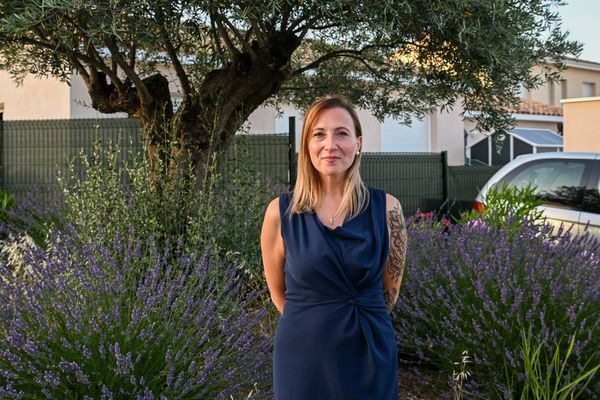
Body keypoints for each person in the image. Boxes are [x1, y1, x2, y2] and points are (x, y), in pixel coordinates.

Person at [260, 95, 408, 399]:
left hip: (369, 354)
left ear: (359, 143)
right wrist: (317, 321)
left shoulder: (388, 210)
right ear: (307, 146)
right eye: (319, 134)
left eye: (342, 133)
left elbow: (390, 292)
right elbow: (278, 294)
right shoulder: (280, 213)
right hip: (302, 355)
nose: (331, 144)